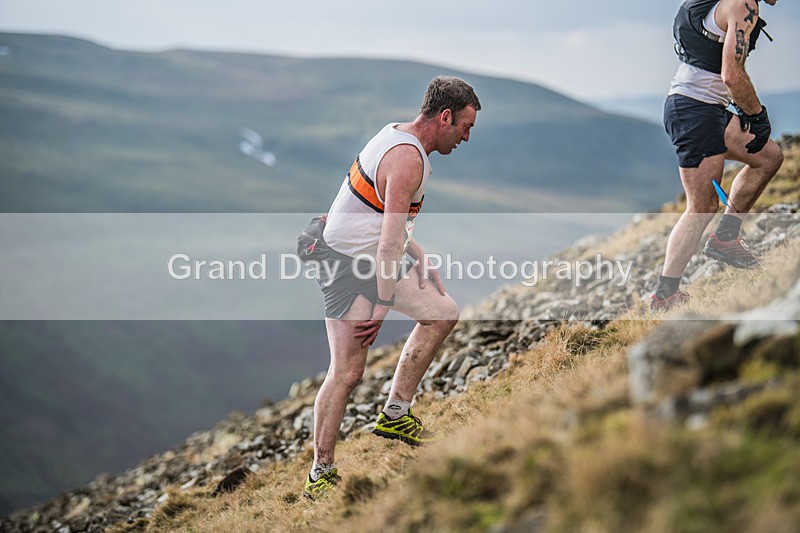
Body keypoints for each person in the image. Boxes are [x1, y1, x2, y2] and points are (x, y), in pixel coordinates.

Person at [303, 76, 480, 498]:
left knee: (442, 313)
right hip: (346, 265)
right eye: (465, 127)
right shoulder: (407, 159)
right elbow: (385, 242)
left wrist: (420, 257)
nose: (466, 137)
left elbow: (387, 223)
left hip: (367, 257)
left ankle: (395, 413)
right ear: (445, 116)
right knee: (347, 372)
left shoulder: (396, 136)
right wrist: (381, 305)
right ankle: (320, 474)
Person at [653, 0, 784, 311]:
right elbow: (731, 75)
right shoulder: (743, 5)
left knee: (769, 157)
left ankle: (726, 238)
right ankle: (664, 296)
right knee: (702, 206)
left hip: (702, 108)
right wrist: (757, 114)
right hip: (694, 111)